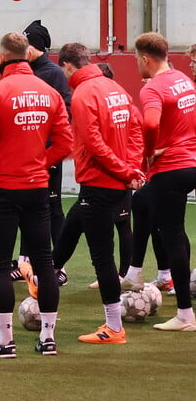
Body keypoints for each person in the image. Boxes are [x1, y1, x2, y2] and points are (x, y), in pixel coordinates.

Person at [0, 32, 72, 358]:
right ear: (28, 55)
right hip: (37, 187)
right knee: (44, 261)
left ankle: (4, 342)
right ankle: (48, 338)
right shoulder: (50, 93)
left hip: (1, 188)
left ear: (1, 58)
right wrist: (40, 163)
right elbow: (66, 143)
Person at [57, 43, 145, 344]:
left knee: (102, 259)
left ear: (68, 66)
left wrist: (125, 170)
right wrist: (131, 169)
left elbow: (94, 144)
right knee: (74, 222)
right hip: (117, 183)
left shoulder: (82, 94)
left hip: (100, 183)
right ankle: (47, 274)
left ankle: (114, 327)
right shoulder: (116, 88)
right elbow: (136, 129)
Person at [133, 32, 196, 331]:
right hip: (191, 165)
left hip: (170, 168)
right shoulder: (183, 79)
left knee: (171, 235)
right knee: (150, 209)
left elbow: (150, 123)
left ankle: (185, 314)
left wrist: (149, 153)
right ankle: (137, 271)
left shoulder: (152, 88)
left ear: (145, 58)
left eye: (136, 60)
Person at [20, 20, 72, 272]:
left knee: (52, 209)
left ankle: (58, 266)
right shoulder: (25, 72)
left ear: (33, 47)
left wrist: (48, 148)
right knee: (26, 207)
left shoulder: (53, 74)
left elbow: (67, 112)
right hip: (26, 156)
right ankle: (25, 262)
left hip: (47, 155)